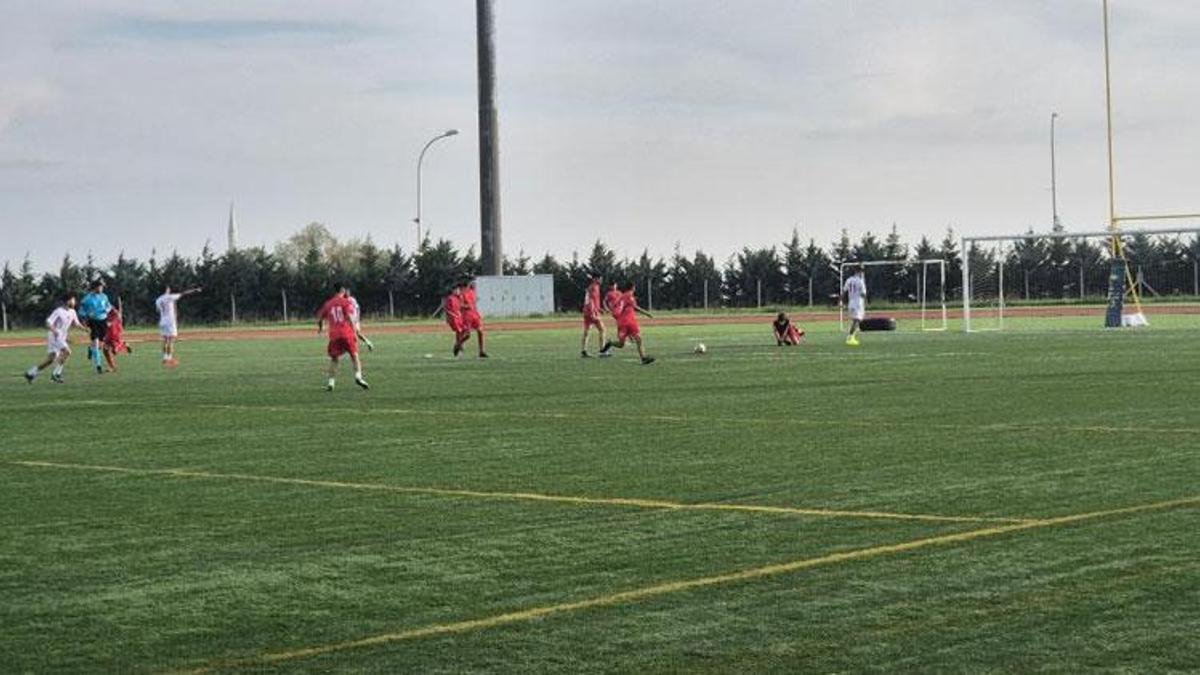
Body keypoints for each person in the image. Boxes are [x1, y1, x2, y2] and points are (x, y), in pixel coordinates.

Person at [317, 284, 369, 391]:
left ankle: (331, 383)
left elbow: (320, 318)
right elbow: (350, 318)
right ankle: (358, 377)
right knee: (354, 356)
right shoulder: (346, 302)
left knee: (334, 359)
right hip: (346, 333)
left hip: (334, 335)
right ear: (342, 290)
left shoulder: (328, 304)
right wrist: (354, 332)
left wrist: (321, 328)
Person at [25, 294, 86, 384]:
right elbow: (48, 322)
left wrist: (85, 329)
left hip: (61, 337)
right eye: (73, 300)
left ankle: (31, 373)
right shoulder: (58, 311)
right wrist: (55, 331)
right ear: (68, 301)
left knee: (50, 359)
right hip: (55, 336)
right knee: (67, 352)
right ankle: (56, 375)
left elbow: (77, 324)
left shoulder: (73, 312)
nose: (75, 302)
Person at [598, 282, 655, 365]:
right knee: (622, 344)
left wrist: (613, 312)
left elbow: (614, 306)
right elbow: (636, 307)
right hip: (628, 322)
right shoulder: (629, 295)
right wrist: (646, 313)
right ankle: (610, 343)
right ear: (633, 288)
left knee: (638, 339)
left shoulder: (621, 296)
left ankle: (643, 358)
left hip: (623, 322)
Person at [155, 285, 201, 367]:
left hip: (162, 321)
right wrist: (195, 290)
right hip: (170, 321)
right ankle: (169, 358)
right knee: (170, 340)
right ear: (167, 289)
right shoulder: (170, 297)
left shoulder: (158, 299)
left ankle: (164, 358)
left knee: (165, 340)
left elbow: (158, 310)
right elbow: (183, 294)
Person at [79, 280, 113, 373]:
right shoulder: (87, 299)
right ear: (95, 287)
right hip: (93, 322)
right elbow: (81, 311)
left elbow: (109, 306)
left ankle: (90, 348)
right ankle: (98, 366)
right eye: (100, 287)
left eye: (102, 287)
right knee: (96, 343)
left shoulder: (104, 296)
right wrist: (87, 314)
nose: (102, 288)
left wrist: (107, 310)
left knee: (100, 346)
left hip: (103, 321)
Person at [460, 279, 488, 358]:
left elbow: (474, 304)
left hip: (474, 315)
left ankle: (481, 351)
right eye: (472, 284)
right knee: (468, 335)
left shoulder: (473, 292)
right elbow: (460, 306)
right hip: (467, 315)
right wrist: (467, 306)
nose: (475, 285)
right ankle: (458, 344)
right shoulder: (463, 294)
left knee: (480, 331)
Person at [580, 277, 607, 357]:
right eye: (600, 279)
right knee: (602, 330)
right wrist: (593, 312)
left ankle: (583, 350)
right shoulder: (594, 287)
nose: (601, 280)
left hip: (587, 311)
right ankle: (602, 351)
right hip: (592, 312)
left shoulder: (591, 287)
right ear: (595, 279)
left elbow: (593, 300)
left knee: (586, 332)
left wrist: (599, 309)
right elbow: (591, 300)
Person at [101, 307, 133, 372]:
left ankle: (124, 345)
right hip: (108, 334)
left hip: (115, 334)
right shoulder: (102, 310)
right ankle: (112, 367)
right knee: (105, 350)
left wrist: (110, 323)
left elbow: (115, 319)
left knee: (115, 351)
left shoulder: (112, 310)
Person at [442, 286, 471, 357]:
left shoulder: (458, 298)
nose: (459, 291)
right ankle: (459, 347)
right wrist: (451, 316)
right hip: (454, 319)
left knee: (467, 334)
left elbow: (459, 306)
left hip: (459, 318)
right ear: (453, 291)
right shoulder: (450, 298)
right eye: (457, 290)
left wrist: (466, 307)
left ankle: (457, 345)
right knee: (459, 332)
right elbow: (447, 309)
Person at [843, 265, 867, 346]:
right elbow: (863, 294)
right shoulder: (860, 281)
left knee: (854, 320)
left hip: (851, 302)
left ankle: (851, 336)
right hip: (858, 303)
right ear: (858, 271)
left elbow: (844, 291)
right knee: (857, 320)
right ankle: (850, 337)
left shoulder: (849, 280)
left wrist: (841, 301)